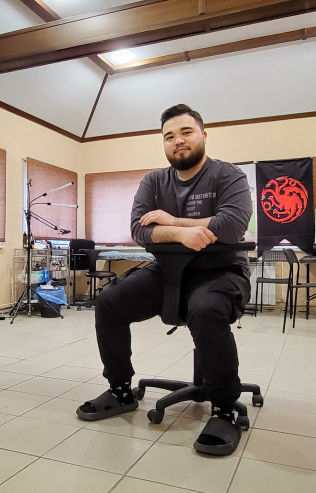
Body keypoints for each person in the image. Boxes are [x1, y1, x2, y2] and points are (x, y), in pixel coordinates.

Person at [76, 104, 252, 456]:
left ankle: (223, 409)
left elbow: (232, 225)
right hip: (168, 270)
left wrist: (171, 222)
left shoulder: (228, 175)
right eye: (169, 136)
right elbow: (139, 230)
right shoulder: (154, 181)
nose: (178, 141)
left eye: (186, 132)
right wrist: (183, 232)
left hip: (221, 269)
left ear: (203, 135)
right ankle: (121, 391)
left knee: (206, 309)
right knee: (110, 302)